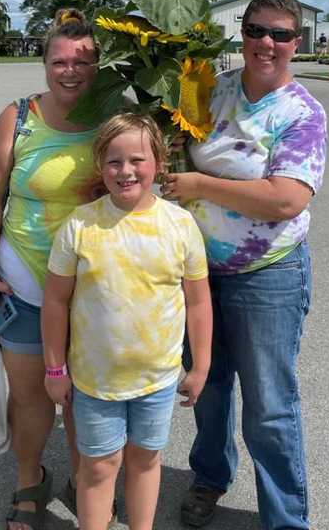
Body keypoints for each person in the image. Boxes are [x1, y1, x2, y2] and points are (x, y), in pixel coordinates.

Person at [162, 0, 328, 530]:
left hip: (268, 275)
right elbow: (170, 138)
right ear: (243, 32)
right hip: (200, 275)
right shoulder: (213, 93)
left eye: (280, 34)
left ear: (295, 43)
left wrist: (199, 185)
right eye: (257, 30)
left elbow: (286, 198)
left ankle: (286, 518)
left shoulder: (302, 113)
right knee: (207, 391)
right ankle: (210, 478)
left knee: (269, 407)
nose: (266, 43)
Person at [43, 113, 212, 530]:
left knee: (145, 460)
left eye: (137, 159)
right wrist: (54, 369)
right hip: (96, 382)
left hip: (157, 380)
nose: (126, 171)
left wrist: (202, 364)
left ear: (158, 160)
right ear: (100, 165)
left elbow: (197, 302)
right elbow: (55, 301)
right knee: (99, 468)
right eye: (114, 161)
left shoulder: (180, 225)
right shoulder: (80, 226)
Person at [0, 8, 102, 530]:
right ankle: (30, 481)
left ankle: (85, 479)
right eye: (59, 61)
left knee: (87, 400)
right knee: (30, 398)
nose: (70, 70)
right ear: (45, 63)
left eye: (83, 61)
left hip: (96, 289)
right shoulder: (18, 118)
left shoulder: (115, 116)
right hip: (24, 284)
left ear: (99, 65)